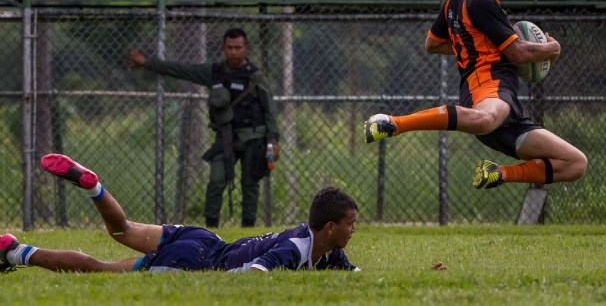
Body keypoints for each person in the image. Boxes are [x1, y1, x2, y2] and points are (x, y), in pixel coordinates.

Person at [363, 0, 587, 190]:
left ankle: (498, 173)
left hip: (507, 110)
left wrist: (473, 47)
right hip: (488, 90)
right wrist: (552, 47)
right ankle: (392, 123)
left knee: (575, 163)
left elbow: (432, 44)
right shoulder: (482, 1)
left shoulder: (454, 2)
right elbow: (518, 53)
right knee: (484, 119)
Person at [0, 154, 358, 273]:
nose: (354, 230)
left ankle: (95, 187)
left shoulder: (325, 247)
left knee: (122, 229)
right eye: (350, 224)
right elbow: (256, 272)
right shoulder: (295, 250)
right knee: (100, 268)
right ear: (329, 227)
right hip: (198, 261)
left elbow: (349, 270)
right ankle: (15, 251)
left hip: (204, 238)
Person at [128, 28, 280, 227]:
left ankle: (248, 231)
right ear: (223, 48)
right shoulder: (215, 73)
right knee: (216, 181)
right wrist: (147, 63)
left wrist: (273, 141)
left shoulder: (255, 77)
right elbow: (181, 69)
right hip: (226, 138)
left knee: (250, 185)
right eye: (229, 47)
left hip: (254, 138)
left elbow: (270, 110)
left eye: (238, 47)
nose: (233, 52)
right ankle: (210, 229)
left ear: (246, 48)